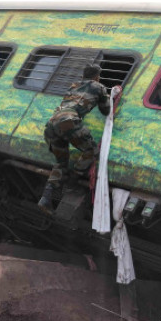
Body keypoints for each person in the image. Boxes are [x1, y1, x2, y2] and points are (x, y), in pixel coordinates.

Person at [37, 63, 114, 213]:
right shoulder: (99, 87)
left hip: (52, 123)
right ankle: (73, 183)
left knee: (61, 163)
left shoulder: (73, 86)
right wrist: (108, 98)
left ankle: (45, 197)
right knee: (91, 150)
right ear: (97, 76)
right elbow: (106, 110)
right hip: (69, 120)